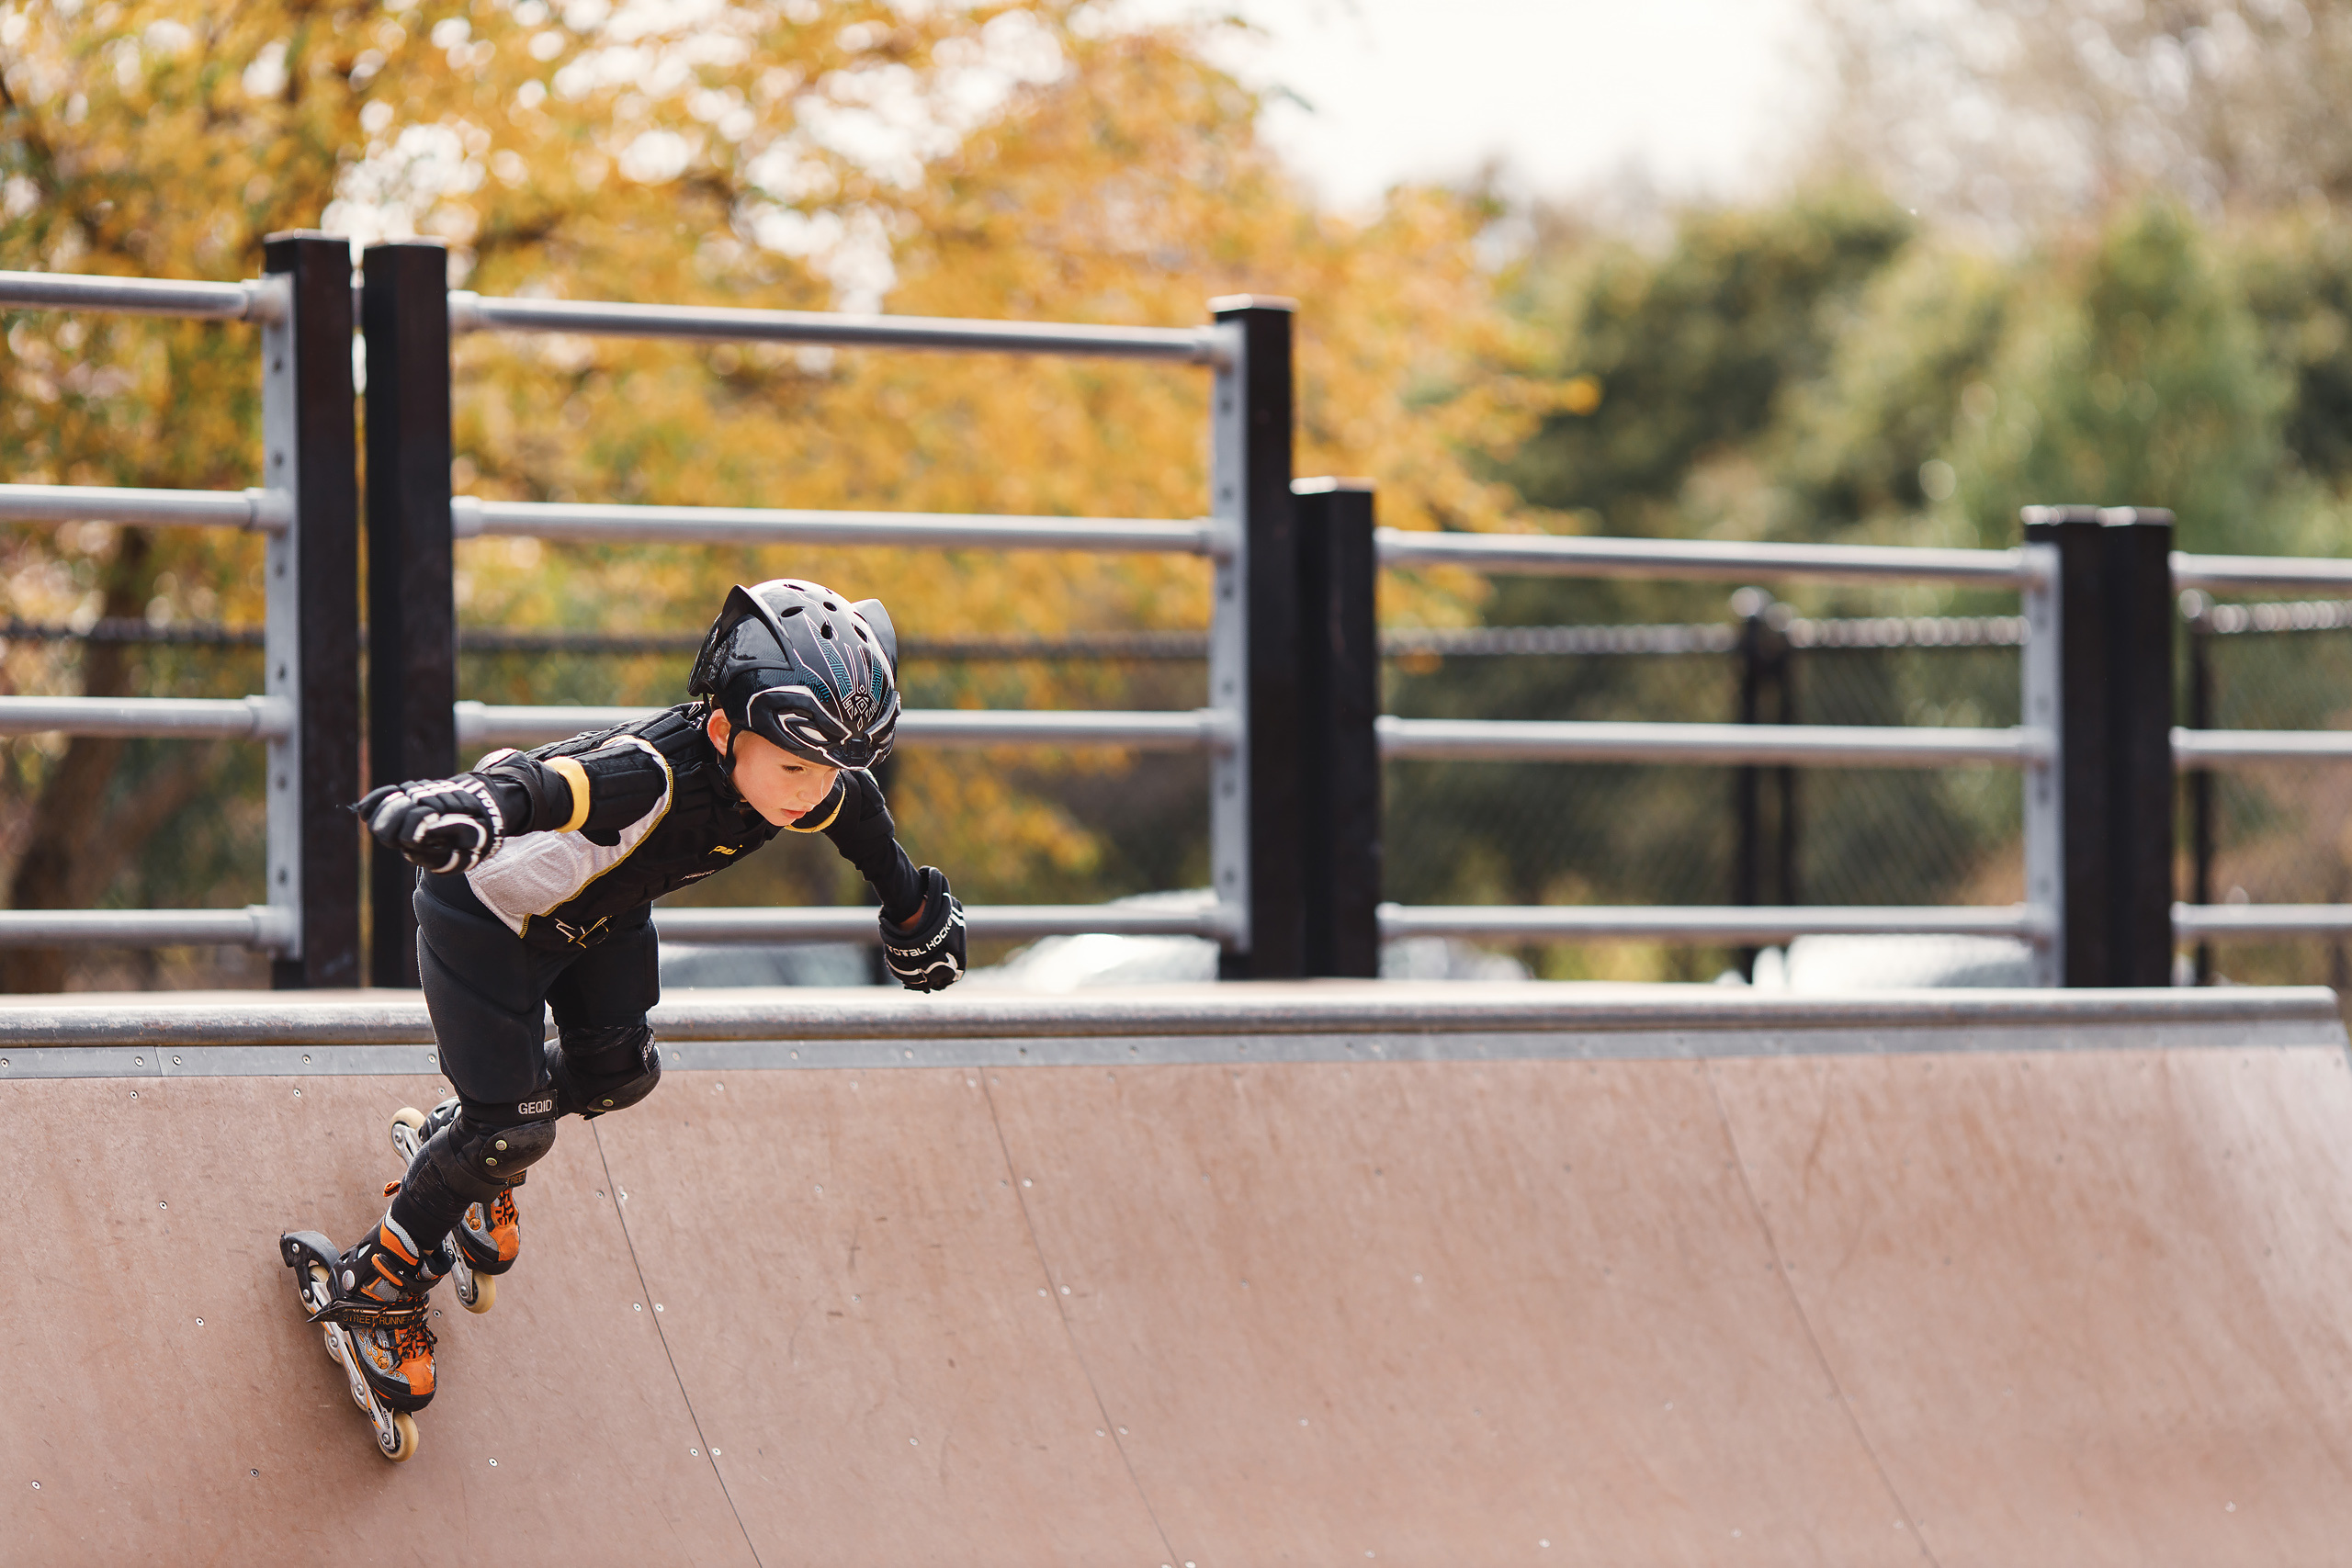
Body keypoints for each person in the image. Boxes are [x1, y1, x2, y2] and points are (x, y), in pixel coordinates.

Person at [314, 579, 965, 1416]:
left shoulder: (809, 778)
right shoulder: (653, 772)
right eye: (797, 766)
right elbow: (553, 783)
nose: (812, 790)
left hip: (602, 916)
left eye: (834, 767)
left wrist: (911, 910)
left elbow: (865, 825)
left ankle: (463, 1146)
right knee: (513, 1129)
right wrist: (473, 805)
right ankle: (376, 1278)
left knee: (619, 1071)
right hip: (491, 921)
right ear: (726, 729)